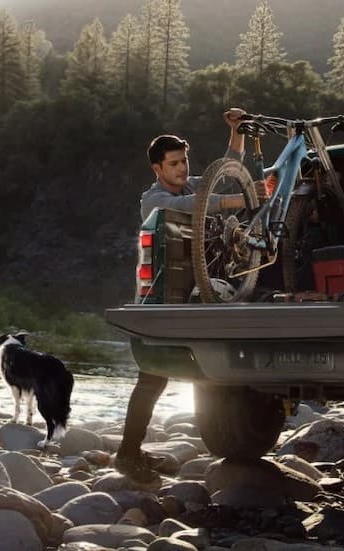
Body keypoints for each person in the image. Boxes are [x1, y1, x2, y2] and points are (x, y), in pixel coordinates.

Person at [115, 107, 259, 483]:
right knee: (152, 379)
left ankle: (136, 451)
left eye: (185, 162)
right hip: (159, 300)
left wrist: (236, 132)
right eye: (174, 163)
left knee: (187, 374)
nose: (182, 168)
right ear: (157, 169)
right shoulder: (152, 200)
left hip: (194, 297)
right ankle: (127, 455)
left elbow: (226, 171)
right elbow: (198, 206)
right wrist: (244, 199)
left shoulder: (194, 185)